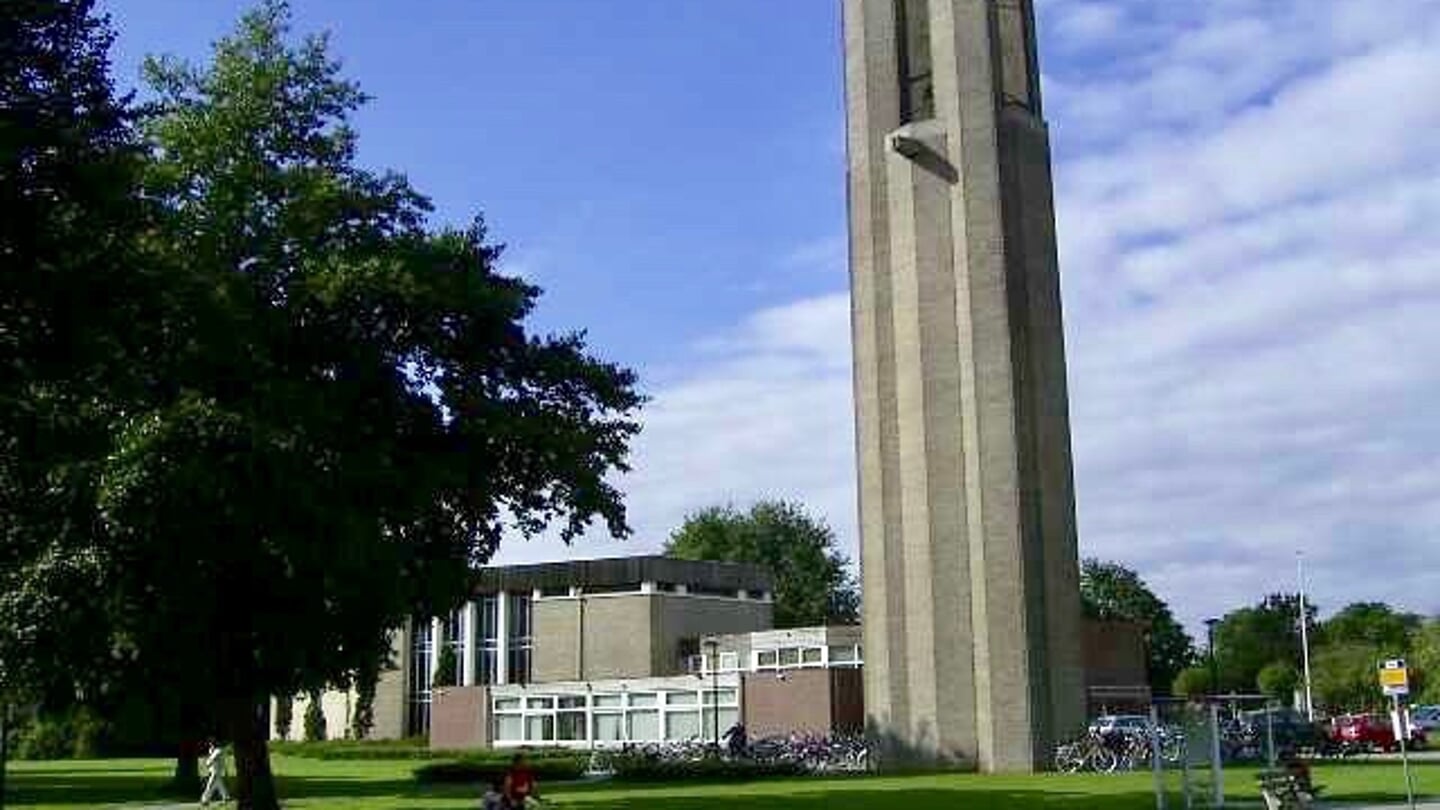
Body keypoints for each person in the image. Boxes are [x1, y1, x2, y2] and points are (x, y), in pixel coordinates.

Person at [199, 738, 230, 806]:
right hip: (215, 771)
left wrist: (207, 763)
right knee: (220, 785)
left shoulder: (218, 751)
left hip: (216, 771)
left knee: (209, 786)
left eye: (211, 744)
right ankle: (226, 797)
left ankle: (205, 800)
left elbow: (211, 760)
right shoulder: (214, 751)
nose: (210, 745)